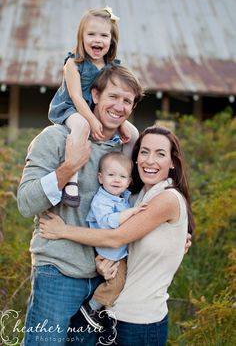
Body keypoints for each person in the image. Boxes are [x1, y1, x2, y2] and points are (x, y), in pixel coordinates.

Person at [17, 64, 144, 346]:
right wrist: (69, 167)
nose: (119, 106)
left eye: (127, 100)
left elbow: (139, 202)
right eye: (113, 96)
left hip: (102, 280)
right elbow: (25, 203)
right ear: (95, 95)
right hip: (57, 274)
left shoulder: (124, 151)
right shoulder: (56, 138)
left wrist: (175, 232)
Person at [39, 125, 195, 346]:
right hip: (115, 315)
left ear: (172, 162)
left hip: (142, 323)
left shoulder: (167, 198)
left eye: (160, 154)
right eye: (144, 152)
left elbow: (116, 237)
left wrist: (62, 231)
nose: (150, 160)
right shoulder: (138, 196)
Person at [48, 7, 139, 207]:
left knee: (132, 134)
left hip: (95, 111)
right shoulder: (73, 63)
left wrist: (121, 123)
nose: (97, 40)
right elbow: (76, 96)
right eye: (91, 34)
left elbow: (115, 100)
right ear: (81, 37)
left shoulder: (111, 67)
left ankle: (126, 177)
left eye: (104, 35)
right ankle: (71, 180)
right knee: (82, 127)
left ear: (111, 40)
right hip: (71, 108)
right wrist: (91, 119)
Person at [80, 151, 147, 330]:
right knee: (117, 283)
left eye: (122, 176)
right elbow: (108, 222)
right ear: (100, 178)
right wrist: (132, 212)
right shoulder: (101, 201)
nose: (117, 180)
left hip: (119, 251)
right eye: (111, 175)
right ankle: (91, 308)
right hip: (110, 253)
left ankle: (107, 310)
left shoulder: (123, 197)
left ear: (129, 181)